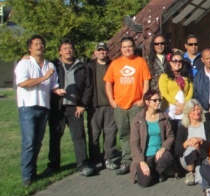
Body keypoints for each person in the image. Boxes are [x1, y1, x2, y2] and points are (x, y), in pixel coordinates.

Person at [15, 35, 63, 187]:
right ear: (30, 47)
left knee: (37, 142)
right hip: (28, 106)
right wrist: (44, 78)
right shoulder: (24, 63)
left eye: (41, 44)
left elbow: (52, 85)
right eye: (36, 44)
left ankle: (33, 171)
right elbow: (23, 83)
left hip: (44, 107)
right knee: (29, 142)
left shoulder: (49, 65)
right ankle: (27, 177)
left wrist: (58, 90)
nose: (39, 46)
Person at [104, 36, 151, 175]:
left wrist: (143, 99)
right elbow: (108, 82)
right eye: (124, 47)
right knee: (124, 134)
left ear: (134, 47)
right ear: (121, 49)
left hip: (136, 104)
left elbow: (146, 81)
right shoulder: (115, 63)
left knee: (137, 133)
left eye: (129, 46)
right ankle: (126, 160)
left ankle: (139, 161)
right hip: (120, 106)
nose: (127, 49)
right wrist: (112, 101)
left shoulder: (140, 62)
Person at [47, 39, 94, 177]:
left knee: (79, 137)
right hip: (58, 107)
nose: (68, 50)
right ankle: (53, 165)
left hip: (75, 108)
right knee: (55, 137)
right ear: (60, 51)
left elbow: (88, 87)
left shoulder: (82, 67)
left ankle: (83, 165)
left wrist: (82, 104)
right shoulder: (54, 66)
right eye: (65, 48)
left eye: (70, 48)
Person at [130, 89, 175, 187]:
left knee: (167, 158)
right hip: (145, 155)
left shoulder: (163, 117)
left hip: (159, 153)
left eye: (159, 100)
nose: (158, 102)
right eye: (155, 100)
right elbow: (134, 143)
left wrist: (163, 148)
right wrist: (141, 162)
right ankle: (152, 172)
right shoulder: (138, 120)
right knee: (144, 183)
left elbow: (170, 136)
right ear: (147, 102)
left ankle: (159, 171)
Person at [87, 42, 119, 171]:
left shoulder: (113, 65)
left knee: (110, 134)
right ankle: (95, 160)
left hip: (110, 105)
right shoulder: (90, 67)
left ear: (107, 52)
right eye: (99, 50)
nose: (101, 52)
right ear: (95, 52)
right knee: (94, 134)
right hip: (95, 106)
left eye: (104, 50)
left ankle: (109, 159)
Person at [175, 99, 210, 186]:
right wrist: (186, 143)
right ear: (188, 113)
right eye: (193, 110)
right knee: (192, 148)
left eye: (198, 109)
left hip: (203, 157)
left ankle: (197, 172)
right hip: (187, 160)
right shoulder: (183, 128)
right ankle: (190, 172)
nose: (197, 112)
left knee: (201, 179)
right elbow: (178, 150)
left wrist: (200, 141)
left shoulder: (207, 124)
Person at [159, 51, 193, 133]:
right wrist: (177, 104)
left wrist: (183, 106)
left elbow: (190, 92)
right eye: (175, 61)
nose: (177, 63)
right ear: (170, 62)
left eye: (180, 61)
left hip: (183, 110)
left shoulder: (187, 76)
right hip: (168, 109)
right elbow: (164, 93)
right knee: (169, 134)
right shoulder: (164, 76)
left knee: (182, 134)